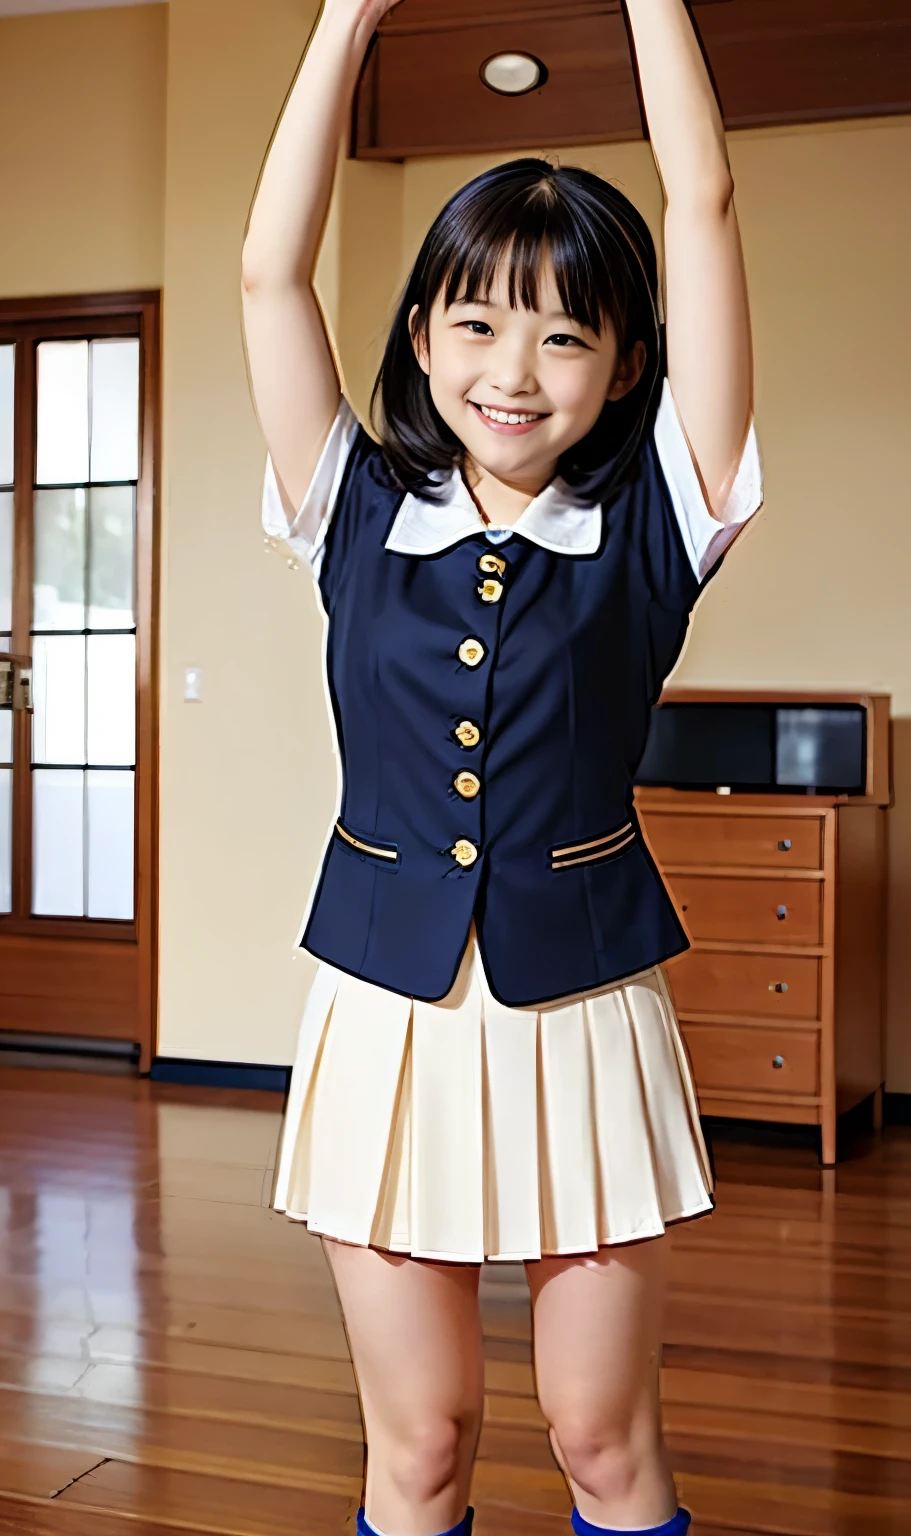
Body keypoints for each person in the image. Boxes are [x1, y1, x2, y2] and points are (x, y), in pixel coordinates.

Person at [241, 2, 762, 1534]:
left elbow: (708, 203)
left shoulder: (669, 515)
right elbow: (271, 273)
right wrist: (349, 17)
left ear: (624, 366)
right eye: (475, 322)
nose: (514, 369)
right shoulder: (347, 506)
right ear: (420, 338)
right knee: (422, 1447)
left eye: (564, 332)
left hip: (584, 1015)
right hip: (384, 1023)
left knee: (601, 1437)